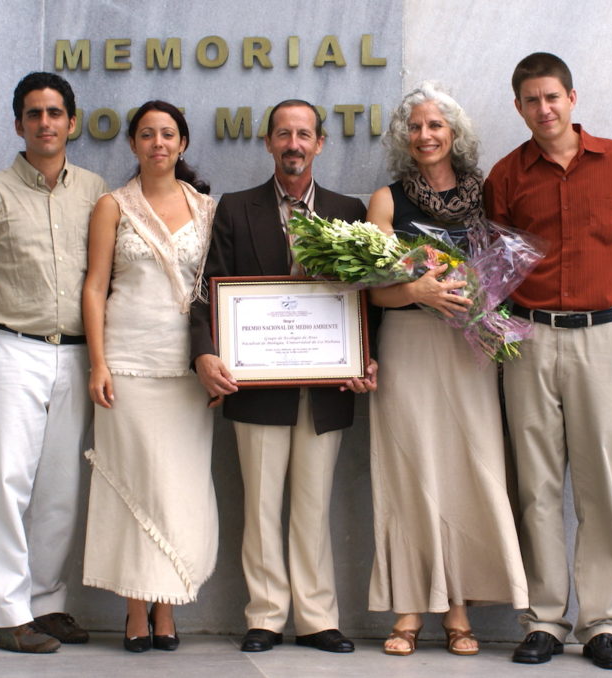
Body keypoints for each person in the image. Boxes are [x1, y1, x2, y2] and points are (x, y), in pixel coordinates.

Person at [189, 99, 376, 654]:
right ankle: (266, 615)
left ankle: (317, 617)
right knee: (261, 503)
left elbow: (371, 300)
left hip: (327, 387)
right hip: (255, 384)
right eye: (283, 134)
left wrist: (368, 356)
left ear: (320, 143)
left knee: (314, 505)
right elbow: (209, 289)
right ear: (267, 143)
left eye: (304, 134)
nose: (294, 144)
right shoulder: (236, 208)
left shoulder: (350, 210)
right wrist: (204, 354)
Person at [483, 53, 612, 671]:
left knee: (601, 486)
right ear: (519, 107)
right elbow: (497, 264)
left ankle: (602, 622)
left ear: (572, 98)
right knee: (538, 485)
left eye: (552, 97)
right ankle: (546, 620)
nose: (543, 109)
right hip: (529, 340)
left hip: (602, 340)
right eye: (531, 100)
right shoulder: (506, 175)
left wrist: (595, 300)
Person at [0, 72, 108, 653]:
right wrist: (1, 315)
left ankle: (47, 603)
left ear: (71, 121)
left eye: (55, 112)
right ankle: (6, 613)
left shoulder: (93, 190)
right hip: (13, 350)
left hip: (76, 355)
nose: (45, 122)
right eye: (33, 113)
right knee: (6, 482)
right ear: (19, 124)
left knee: (60, 486)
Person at [363, 82, 528, 657]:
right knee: (411, 469)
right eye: (415, 127)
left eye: (436, 125)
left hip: (470, 348)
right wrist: (417, 289)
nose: (426, 135)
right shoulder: (385, 201)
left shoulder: (487, 196)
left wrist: (482, 300)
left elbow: (508, 270)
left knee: (468, 466)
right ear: (404, 138)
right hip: (407, 343)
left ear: (454, 134)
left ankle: (458, 605)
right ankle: (411, 604)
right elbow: (371, 295)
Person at [80, 100, 218, 653]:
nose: (157, 143)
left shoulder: (209, 208)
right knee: (131, 485)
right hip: (128, 366)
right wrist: (98, 363)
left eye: (167, 134)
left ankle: (169, 605)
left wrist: (215, 363)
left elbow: (217, 292)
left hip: (186, 370)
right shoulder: (112, 205)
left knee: (175, 490)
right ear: (134, 144)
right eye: (146, 134)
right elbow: (93, 287)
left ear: (182, 143)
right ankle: (136, 610)